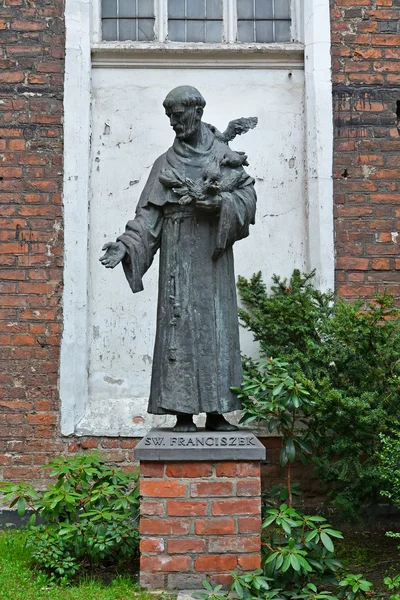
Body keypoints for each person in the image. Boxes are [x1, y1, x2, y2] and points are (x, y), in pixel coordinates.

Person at [100, 86, 257, 432]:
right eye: (169, 116)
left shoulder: (223, 155)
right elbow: (148, 218)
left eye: (178, 115)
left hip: (213, 258)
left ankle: (217, 413)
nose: (173, 122)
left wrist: (220, 205)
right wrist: (126, 245)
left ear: (197, 112)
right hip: (177, 260)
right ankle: (182, 413)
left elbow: (247, 199)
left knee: (217, 331)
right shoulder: (165, 164)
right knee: (178, 331)